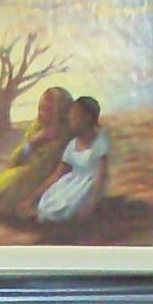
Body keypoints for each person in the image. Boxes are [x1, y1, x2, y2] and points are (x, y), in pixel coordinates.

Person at [0, 88, 73, 224]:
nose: (43, 113)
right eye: (41, 108)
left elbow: (63, 170)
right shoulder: (37, 128)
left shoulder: (68, 134)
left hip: (48, 183)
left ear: (60, 112)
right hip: (25, 175)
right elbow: (14, 161)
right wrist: (34, 142)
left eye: (49, 110)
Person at [35, 95, 109, 229]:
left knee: (69, 205)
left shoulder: (99, 142)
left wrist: (92, 202)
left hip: (87, 186)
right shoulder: (72, 144)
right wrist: (33, 197)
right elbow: (57, 174)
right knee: (49, 202)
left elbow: (101, 175)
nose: (70, 121)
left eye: (74, 117)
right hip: (70, 183)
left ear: (86, 118)